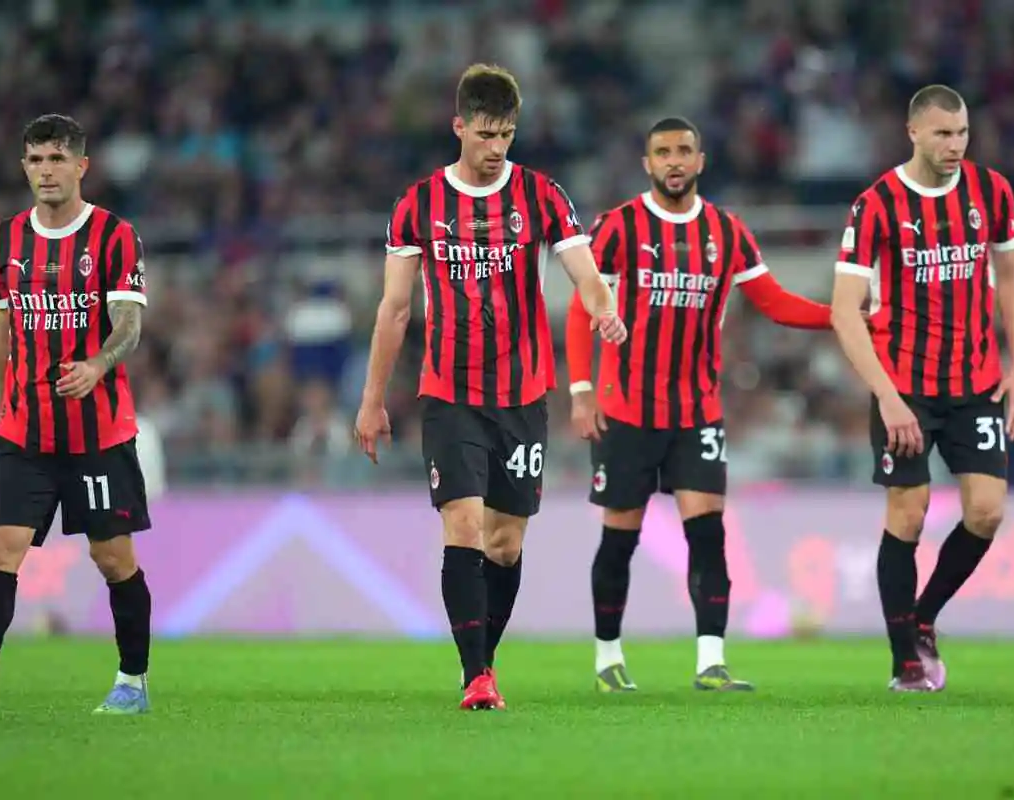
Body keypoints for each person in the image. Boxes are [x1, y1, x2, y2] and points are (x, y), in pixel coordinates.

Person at [353, 64, 627, 711]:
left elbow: (584, 274)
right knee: (465, 523)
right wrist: (372, 399)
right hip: (449, 393)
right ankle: (477, 676)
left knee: (506, 541)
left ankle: (483, 663)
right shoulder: (418, 205)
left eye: (505, 134)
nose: (495, 147)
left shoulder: (540, 195)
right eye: (484, 134)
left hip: (524, 395)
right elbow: (395, 309)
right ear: (458, 127)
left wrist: (604, 304)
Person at [566, 117, 833, 693]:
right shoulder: (618, 227)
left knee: (708, 535)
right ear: (647, 164)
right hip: (627, 409)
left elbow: (776, 302)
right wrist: (581, 390)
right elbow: (580, 308)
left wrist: (843, 315)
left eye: (684, 150)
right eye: (662, 152)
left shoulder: (727, 232)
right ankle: (607, 659)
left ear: (701, 159)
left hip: (696, 412)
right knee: (621, 537)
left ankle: (711, 662)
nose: (674, 161)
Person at [0, 114, 154, 717]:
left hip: (97, 433)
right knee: (0, 549)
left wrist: (98, 366)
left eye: (57, 159)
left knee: (113, 559)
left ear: (82, 166)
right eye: (35, 160)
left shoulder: (114, 236)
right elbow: (1, 325)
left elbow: (129, 324)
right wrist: (9, 398)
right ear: (24, 166)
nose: (46, 171)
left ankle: (132, 681)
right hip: (24, 433)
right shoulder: (3, 242)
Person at [829, 85, 1014, 692]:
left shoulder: (990, 191)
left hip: (975, 383)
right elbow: (844, 310)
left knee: (988, 512)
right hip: (905, 385)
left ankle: (924, 617)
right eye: (943, 134)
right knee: (908, 514)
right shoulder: (877, 205)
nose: (955, 145)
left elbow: (1012, 277)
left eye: (962, 133)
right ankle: (903, 661)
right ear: (912, 132)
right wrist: (887, 397)